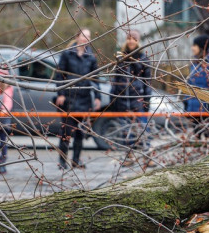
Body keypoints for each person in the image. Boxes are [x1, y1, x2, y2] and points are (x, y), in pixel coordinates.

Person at [55, 28, 101, 170]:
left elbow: (96, 78)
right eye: (84, 36)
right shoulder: (67, 54)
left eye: (88, 37)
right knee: (66, 132)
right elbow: (59, 75)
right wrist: (61, 93)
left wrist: (98, 97)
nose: (86, 39)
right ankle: (62, 161)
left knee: (80, 132)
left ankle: (76, 160)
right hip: (69, 98)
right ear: (77, 37)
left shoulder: (91, 57)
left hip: (84, 98)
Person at [110, 30, 152, 163]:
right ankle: (129, 156)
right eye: (129, 38)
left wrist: (146, 101)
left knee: (143, 129)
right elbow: (116, 79)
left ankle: (147, 155)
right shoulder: (120, 58)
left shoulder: (143, 58)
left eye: (134, 39)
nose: (131, 41)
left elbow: (147, 82)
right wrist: (113, 97)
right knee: (125, 130)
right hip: (123, 100)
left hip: (137, 101)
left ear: (138, 41)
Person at [185, 34, 209, 139]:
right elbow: (190, 85)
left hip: (205, 105)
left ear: (201, 47)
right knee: (197, 133)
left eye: (194, 45)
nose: (192, 48)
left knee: (205, 132)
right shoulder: (195, 64)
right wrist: (186, 100)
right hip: (193, 104)